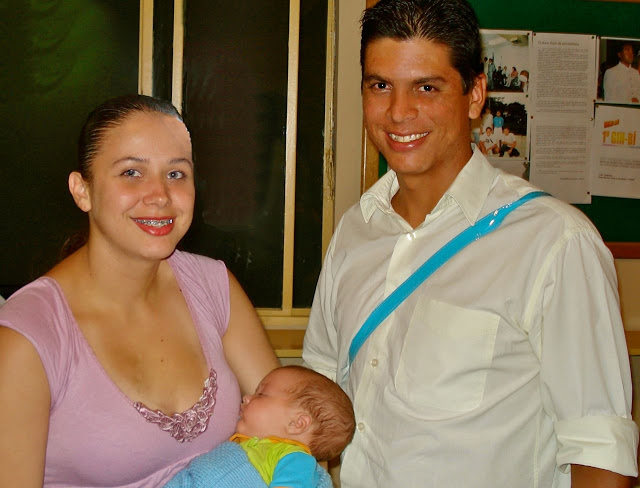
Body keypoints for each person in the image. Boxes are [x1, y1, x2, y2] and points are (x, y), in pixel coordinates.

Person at [302, 1, 638, 487]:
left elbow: (599, 450)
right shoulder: (356, 229)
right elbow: (317, 389)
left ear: (475, 95)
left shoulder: (554, 241)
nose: (398, 112)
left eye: (427, 87)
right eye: (381, 86)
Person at [0, 94, 280, 487]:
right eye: (131, 172)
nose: (160, 195)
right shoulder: (30, 337)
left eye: (176, 173)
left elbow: (292, 426)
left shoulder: (214, 287)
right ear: (82, 191)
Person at [165, 365, 355, 488]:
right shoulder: (242, 446)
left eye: (261, 394)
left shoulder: (294, 458)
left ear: (297, 424)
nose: (247, 397)